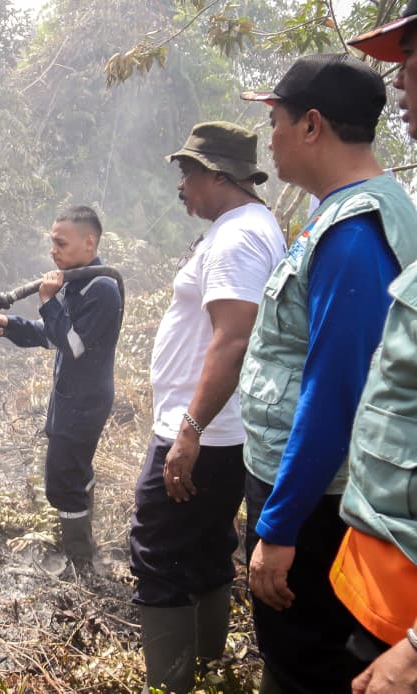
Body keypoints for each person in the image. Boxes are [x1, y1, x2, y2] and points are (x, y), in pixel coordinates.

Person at [238, 53, 417, 692]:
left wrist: (279, 526)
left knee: (302, 667)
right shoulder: (344, 213)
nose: (271, 138)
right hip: (309, 492)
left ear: (312, 126)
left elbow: (337, 391)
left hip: (317, 508)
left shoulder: (353, 232)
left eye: (277, 120)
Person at [128, 121, 284, 693]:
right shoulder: (249, 227)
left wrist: (189, 431)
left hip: (203, 431)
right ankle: (210, 668)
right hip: (220, 429)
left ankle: (172, 684)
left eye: (188, 172)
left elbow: (233, 338)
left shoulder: (238, 238)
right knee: (207, 545)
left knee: (159, 552)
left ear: (220, 174)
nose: (182, 185)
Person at [323, 11, 417, 692]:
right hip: (384, 591)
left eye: (411, 56)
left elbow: (335, 384)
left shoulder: (358, 227)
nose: (400, 80)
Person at [0, 205, 122, 575]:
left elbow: (72, 345)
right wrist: (9, 324)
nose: (53, 251)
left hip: (85, 402)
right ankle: (86, 547)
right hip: (71, 397)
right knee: (74, 471)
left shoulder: (102, 289)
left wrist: (47, 302)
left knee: (61, 482)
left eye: (61, 243)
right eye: (52, 243)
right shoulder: (79, 283)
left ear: (89, 242)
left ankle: (81, 564)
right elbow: (51, 335)